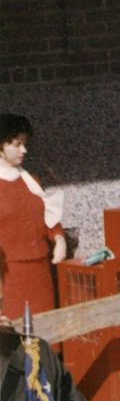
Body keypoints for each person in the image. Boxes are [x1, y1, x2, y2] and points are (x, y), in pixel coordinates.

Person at [0, 115, 67, 320]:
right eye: (18, 144)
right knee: (18, 340)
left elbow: (48, 217)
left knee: (46, 338)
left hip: (41, 271)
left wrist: (59, 238)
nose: (24, 151)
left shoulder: (31, 180)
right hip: (10, 275)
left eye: (25, 144)